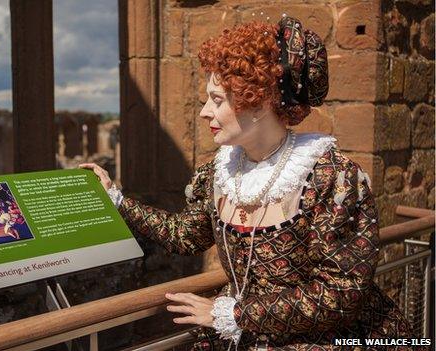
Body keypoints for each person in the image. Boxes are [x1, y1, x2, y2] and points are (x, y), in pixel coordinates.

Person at [80, 16, 423, 351]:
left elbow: (340, 292)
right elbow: (184, 235)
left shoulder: (332, 179)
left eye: (216, 99)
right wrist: (115, 199)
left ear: (258, 102)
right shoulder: (221, 171)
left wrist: (236, 313)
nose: (203, 112)